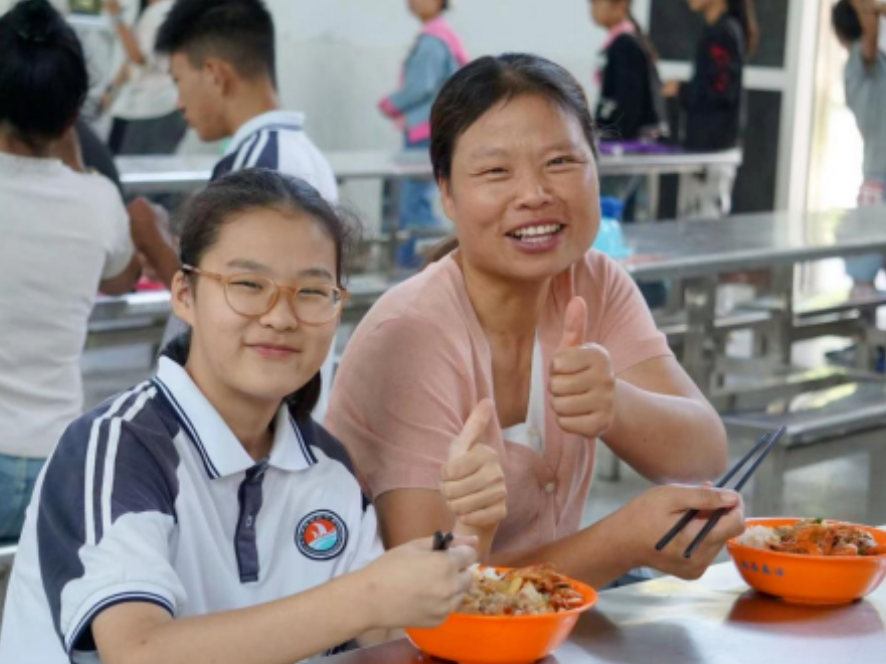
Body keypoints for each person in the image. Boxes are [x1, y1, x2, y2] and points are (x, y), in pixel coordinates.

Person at [0, 169, 509, 664]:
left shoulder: (327, 466)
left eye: (311, 291)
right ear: (184, 294)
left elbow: (388, 631)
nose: (280, 316)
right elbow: (138, 652)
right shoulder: (115, 447)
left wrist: (467, 535)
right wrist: (365, 596)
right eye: (248, 284)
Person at [327, 53, 743, 589]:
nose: (534, 194)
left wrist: (616, 404)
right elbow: (429, 597)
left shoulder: (593, 282)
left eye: (562, 162)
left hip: (551, 617)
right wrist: (621, 543)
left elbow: (704, 453)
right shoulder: (409, 335)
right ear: (447, 192)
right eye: (496, 171)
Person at [0, 0, 168, 543]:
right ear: (74, 117)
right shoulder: (97, 202)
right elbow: (120, 277)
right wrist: (76, 165)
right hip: (53, 455)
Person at [148, 0, 340, 416]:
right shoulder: (299, 151)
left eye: (180, 81)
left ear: (215, 74)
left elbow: (231, 297)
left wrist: (154, 241)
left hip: (252, 415)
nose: (179, 103)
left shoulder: (258, 166)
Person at [379, 0, 469, 268]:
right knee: (417, 199)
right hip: (431, 128)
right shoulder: (441, 35)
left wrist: (390, 103)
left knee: (415, 203)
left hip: (424, 131)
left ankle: (419, 267)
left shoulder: (433, 40)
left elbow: (420, 87)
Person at [662, 0, 759, 218]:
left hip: (713, 151)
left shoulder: (723, 33)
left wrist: (681, 89)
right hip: (706, 149)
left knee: (704, 229)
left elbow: (721, 91)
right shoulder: (718, 31)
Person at [833, 0, 886, 293]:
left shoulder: (877, 60)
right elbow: (871, 32)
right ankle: (866, 331)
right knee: (864, 268)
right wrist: (876, 9)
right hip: (879, 178)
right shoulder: (859, 61)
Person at [103, 0, 187, 155]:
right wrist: (113, 89)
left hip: (155, 108)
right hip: (136, 106)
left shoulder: (164, 11)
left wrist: (117, 17)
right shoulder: (146, 9)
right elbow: (129, 60)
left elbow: (139, 58)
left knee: (135, 168)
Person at [590, 0, 667, 142]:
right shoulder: (622, 42)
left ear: (621, 5)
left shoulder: (625, 45)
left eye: (597, 2)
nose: (592, 7)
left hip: (630, 146)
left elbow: (628, 109)